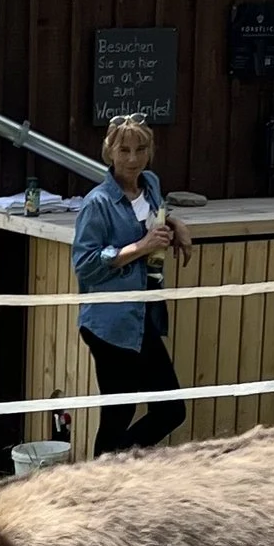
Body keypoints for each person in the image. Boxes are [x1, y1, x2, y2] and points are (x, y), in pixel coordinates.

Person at [71, 113, 190, 456]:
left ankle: (108, 470)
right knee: (118, 414)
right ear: (109, 152)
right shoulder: (97, 203)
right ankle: (101, 476)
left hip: (144, 314)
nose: (133, 159)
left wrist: (176, 223)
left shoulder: (150, 184)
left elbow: (155, 215)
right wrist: (141, 248)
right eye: (124, 150)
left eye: (140, 149)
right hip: (110, 322)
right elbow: (85, 265)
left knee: (170, 408)